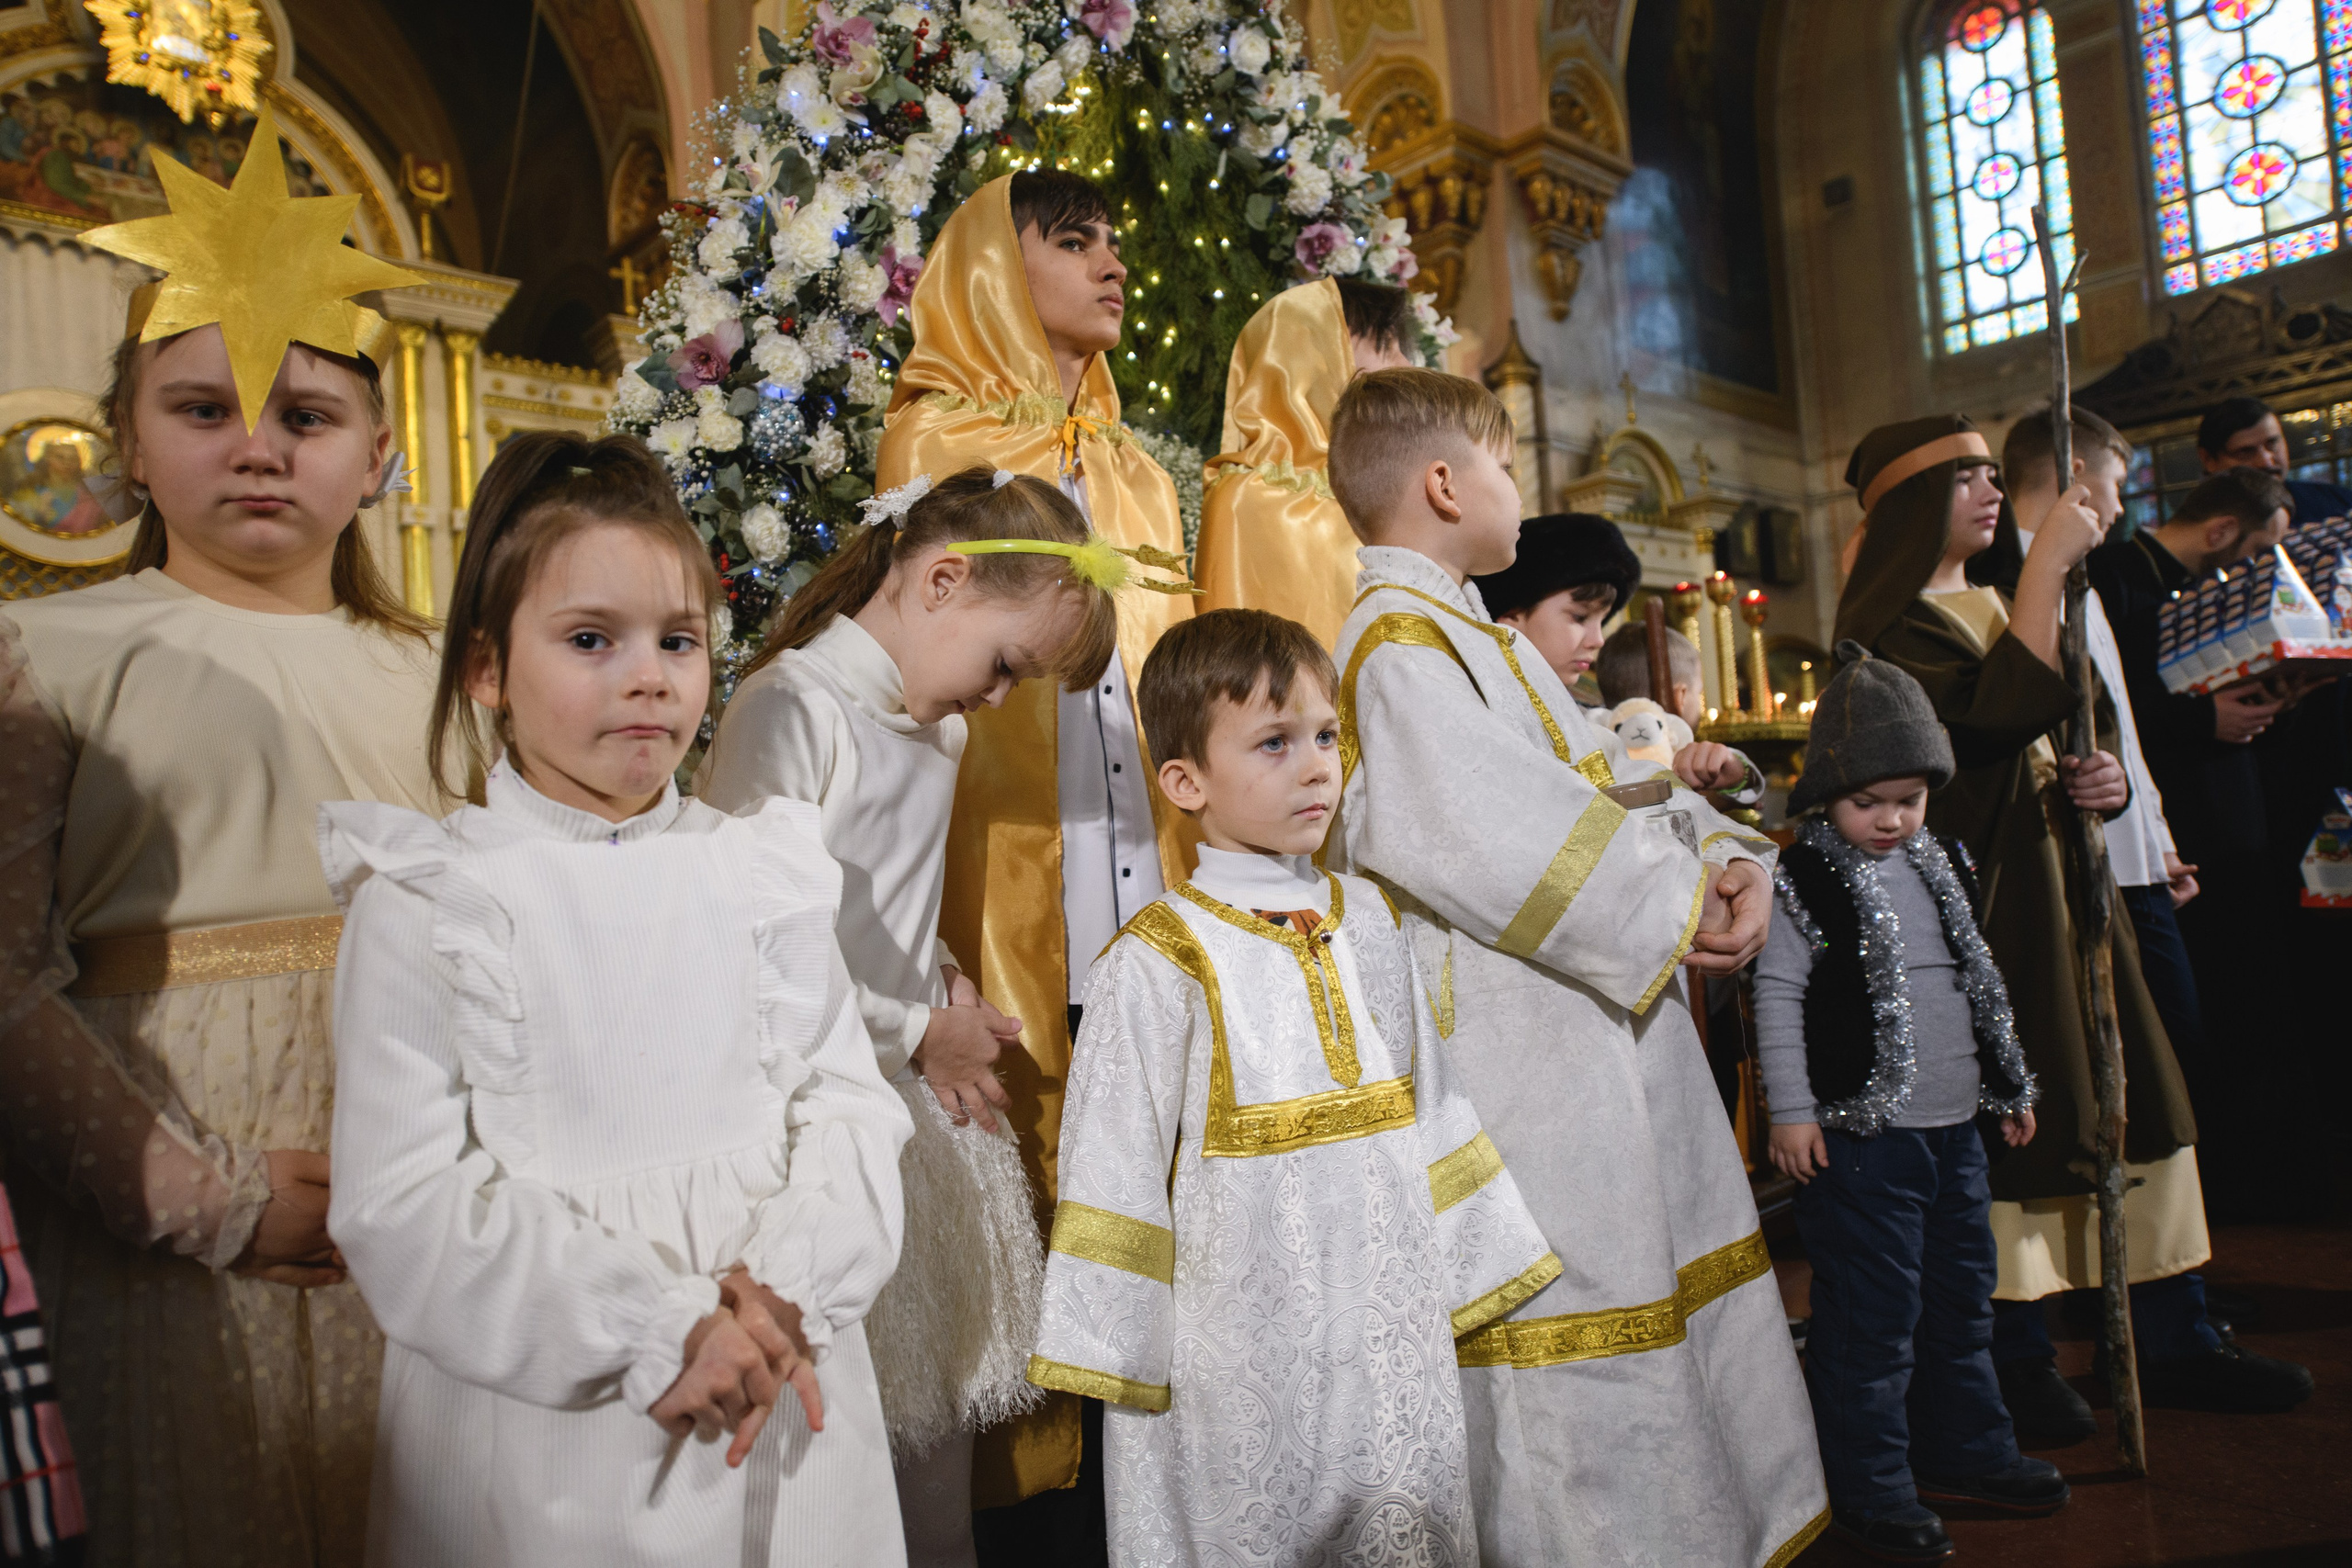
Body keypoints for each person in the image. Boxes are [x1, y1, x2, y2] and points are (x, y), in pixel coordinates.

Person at [323, 433, 914, 1565]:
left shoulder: (764, 872)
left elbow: (850, 1110)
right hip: (553, 1406)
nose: (649, 676)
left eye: (678, 642)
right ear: (487, 671)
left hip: (781, 1361)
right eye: (592, 640)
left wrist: (784, 1292)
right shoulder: (434, 898)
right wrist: (657, 1329)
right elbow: (407, 1206)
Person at [0, 110, 433, 1566]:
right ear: (125, 437)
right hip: (159, 1204)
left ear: (378, 452)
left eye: (306, 418)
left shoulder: (459, 680)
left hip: (425, 1199)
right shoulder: (40, 652)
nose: (258, 447)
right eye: (202, 409)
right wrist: (202, 1194)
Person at [1323, 368, 1827, 1567]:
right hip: (1518, 1056)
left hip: (1573, 1027)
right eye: (1506, 466)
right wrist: (1675, 895)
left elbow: (1599, 778)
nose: (1517, 488)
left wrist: (1723, 848)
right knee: (1576, 1334)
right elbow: (1487, 826)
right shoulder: (1400, 642)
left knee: (1640, 1290)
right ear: (1445, 484)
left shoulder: (1463, 634)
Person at [1032, 607, 1555, 1563]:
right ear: (1184, 780)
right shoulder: (1158, 959)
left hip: (1392, 1327)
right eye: (1273, 743)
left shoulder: (1368, 918)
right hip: (1237, 1353)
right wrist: (1118, 1350)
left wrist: (1471, 1261)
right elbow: (1111, 1163)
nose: (1317, 766)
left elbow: (1428, 1098)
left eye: (1325, 736)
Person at [1837, 416, 2309, 1444]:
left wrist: (2096, 774)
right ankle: (2019, 1350)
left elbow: (2068, 710)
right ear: (1913, 508)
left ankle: (2169, 1328)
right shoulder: (1888, 632)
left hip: (2070, 884)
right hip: (1996, 907)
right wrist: (2047, 566)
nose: (1988, 489)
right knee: (2029, 1117)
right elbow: (1996, 715)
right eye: (1962, 478)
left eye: (1987, 471)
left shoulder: (2008, 597)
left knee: (2132, 1092)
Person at [697, 466, 1124, 1568]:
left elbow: (881, 911)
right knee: (835, 1461)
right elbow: (748, 950)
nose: (994, 701)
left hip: (899, 1113)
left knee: (927, 1467)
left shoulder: (935, 733)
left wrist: (945, 986)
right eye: (1003, 668)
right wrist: (917, 1032)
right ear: (940, 581)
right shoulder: (791, 707)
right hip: (805, 1116)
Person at [874, 168, 1193, 1523]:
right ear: (1000, 270)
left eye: (1119, 237)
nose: (1113, 265)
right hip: (1008, 885)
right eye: (1077, 241)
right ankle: (1040, 1501)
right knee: (1032, 1188)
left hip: (1142, 871)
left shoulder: (1135, 470)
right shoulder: (940, 446)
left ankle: (1157, 1475)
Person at [1758, 649, 2063, 1565]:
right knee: (1871, 1319)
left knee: (1963, 1301)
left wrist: (2004, 1089)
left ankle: (1964, 1447)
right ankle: (1870, 1483)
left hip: (1951, 1134)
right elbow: (1773, 999)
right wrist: (1792, 1112)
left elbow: (1977, 984)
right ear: (1827, 796)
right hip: (1860, 1141)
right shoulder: (1801, 879)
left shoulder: (1944, 864)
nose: (1891, 820)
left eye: (1909, 799)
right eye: (1868, 802)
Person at [2086, 468, 2309, 1220]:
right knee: (2199, 1026)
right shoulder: (2114, 578)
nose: (2259, 568)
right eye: (2258, 548)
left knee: (2253, 1011)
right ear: (2220, 532)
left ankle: (2260, 1184)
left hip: (2236, 818)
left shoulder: (2200, 581)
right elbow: (2109, 709)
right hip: (2173, 834)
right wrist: (2200, 722)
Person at [2001, 409, 2204, 1091]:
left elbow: (2121, 733)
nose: (2121, 506)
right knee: (2158, 1054)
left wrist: (2159, 841)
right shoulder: (2020, 580)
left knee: (2176, 1046)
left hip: (2135, 855)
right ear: (2075, 471)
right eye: (2116, 482)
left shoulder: (2082, 579)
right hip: (2093, 864)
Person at [1474, 511, 1760, 799]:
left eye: (1601, 622)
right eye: (1580, 617)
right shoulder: (1479, 709)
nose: (1598, 640)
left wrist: (1734, 774)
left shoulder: (1587, 715)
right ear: (1511, 615)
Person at [1194, 278, 1413, 649]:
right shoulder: (1246, 498)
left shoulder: (1381, 490)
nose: (1404, 364)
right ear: (1315, 349)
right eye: (1386, 344)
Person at [2194, 394, 2352, 525]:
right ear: (2208, 460)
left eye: (2272, 444)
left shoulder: (2338, 504)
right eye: (2246, 452)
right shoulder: (2198, 532)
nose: (2266, 462)